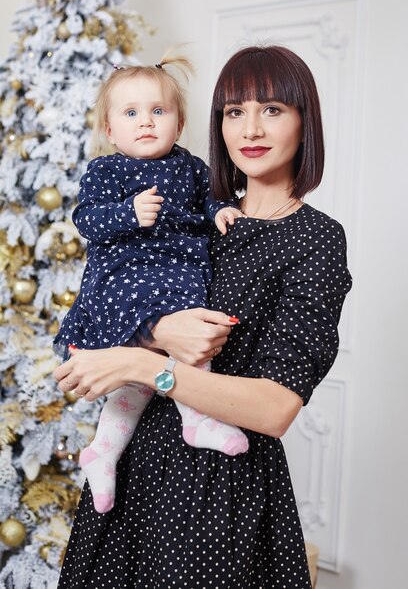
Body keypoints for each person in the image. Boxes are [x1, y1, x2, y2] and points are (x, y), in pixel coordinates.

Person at [54, 44, 352, 588]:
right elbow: (97, 305)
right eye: (234, 112)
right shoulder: (191, 214)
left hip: (222, 492)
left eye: (273, 109)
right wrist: (155, 330)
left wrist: (144, 365)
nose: (250, 128)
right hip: (132, 475)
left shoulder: (316, 240)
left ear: (304, 121)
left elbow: (276, 408)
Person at [53, 50, 248, 514]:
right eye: (131, 113)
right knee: (177, 340)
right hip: (127, 279)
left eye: (158, 111)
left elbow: (211, 199)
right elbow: (87, 220)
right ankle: (196, 419)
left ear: (178, 124)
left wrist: (220, 210)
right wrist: (128, 213)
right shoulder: (106, 170)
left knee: (139, 377)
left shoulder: (191, 167)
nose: (146, 122)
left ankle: (103, 450)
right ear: (109, 129)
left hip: (178, 275)